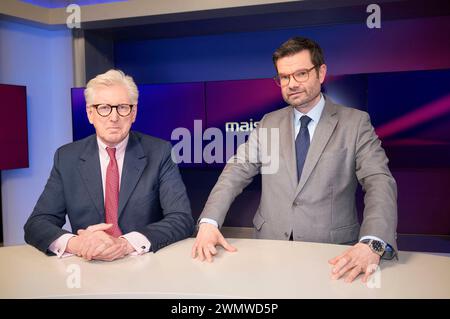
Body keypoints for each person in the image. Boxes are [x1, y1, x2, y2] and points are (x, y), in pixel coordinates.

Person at [192, 37, 398, 283]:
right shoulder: (269, 122)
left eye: (301, 74)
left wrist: (372, 242)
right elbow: (236, 171)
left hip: (332, 254)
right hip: (269, 251)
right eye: (284, 77)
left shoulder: (355, 123)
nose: (292, 84)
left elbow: (379, 181)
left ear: (321, 73)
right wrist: (209, 221)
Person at [24, 69, 194, 261]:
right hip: (87, 266)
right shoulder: (66, 157)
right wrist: (78, 244)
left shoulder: (159, 152)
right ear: (90, 114)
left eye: (122, 107)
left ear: (133, 113)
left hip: (142, 264)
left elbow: (181, 219)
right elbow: (36, 224)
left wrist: (124, 243)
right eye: (104, 108)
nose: (114, 117)